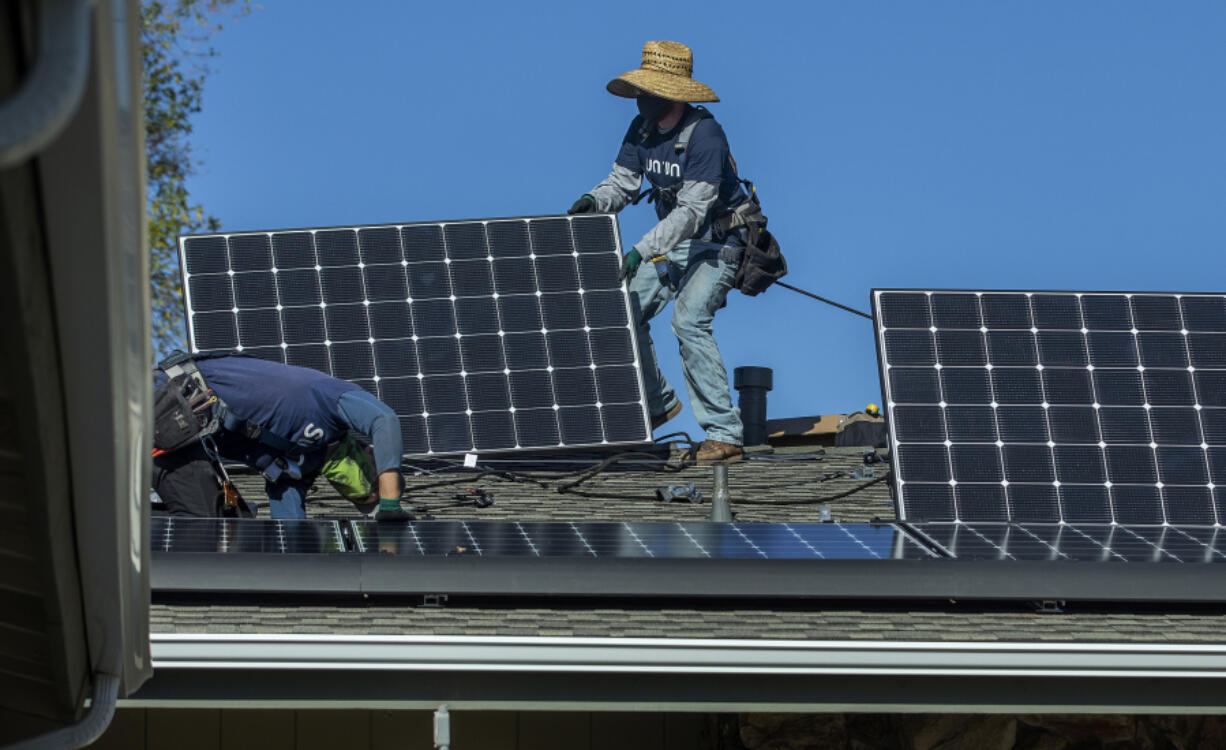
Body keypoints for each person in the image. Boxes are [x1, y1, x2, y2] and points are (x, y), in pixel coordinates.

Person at [569, 40, 748, 462]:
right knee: (623, 309)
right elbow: (623, 183)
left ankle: (725, 434)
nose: (641, 99)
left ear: (671, 94)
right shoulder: (642, 131)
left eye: (649, 92)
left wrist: (639, 251)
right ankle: (656, 404)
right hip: (679, 244)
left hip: (719, 244)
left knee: (689, 322)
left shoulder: (705, 135)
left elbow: (691, 212)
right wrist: (594, 201)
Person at [151, 352, 410, 520]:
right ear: (371, 451)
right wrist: (389, 505)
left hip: (180, 442)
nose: (364, 493)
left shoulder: (298, 467)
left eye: (363, 499)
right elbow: (384, 419)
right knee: (209, 527)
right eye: (376, 485)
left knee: (232, 529)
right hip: (168, 402)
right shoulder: (328, 404)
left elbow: (286, 530)